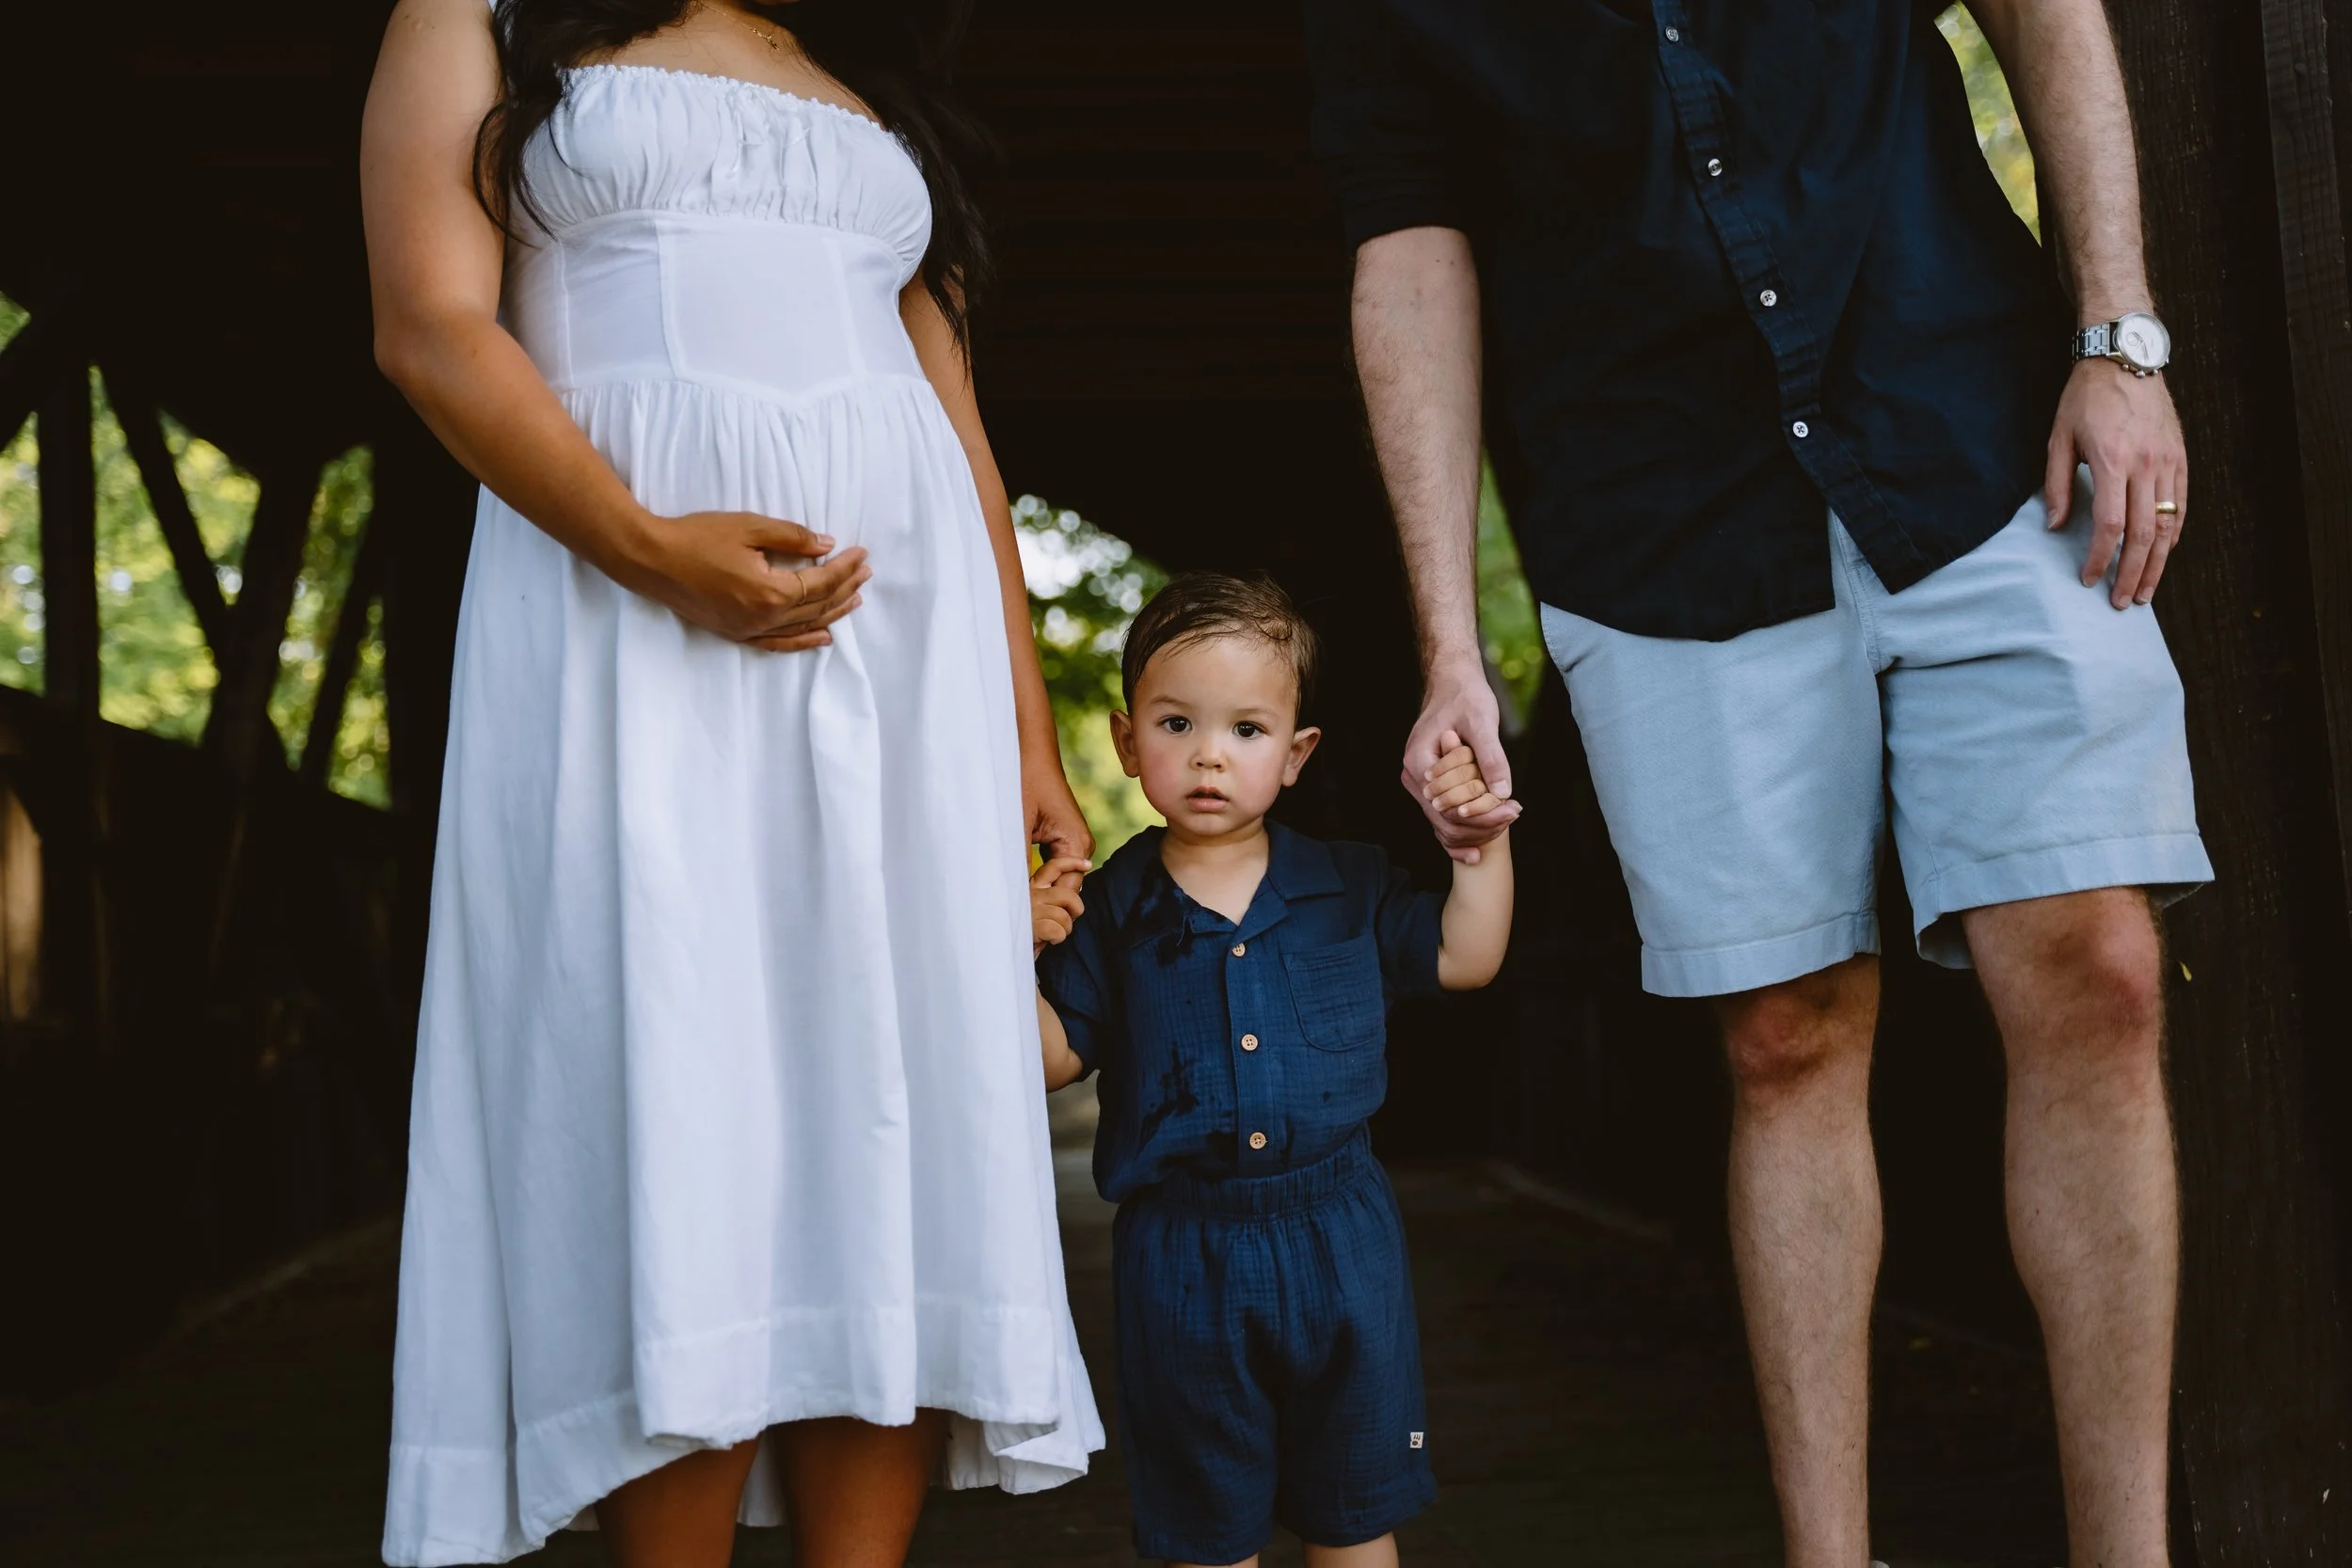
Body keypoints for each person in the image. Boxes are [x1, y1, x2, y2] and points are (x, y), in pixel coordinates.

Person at [1304, 3, 2205, 1566]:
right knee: (1787, 1035)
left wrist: (2116, 337)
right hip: (1656, 507)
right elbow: (1409, 257)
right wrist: (1450, 640)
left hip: (1977, 433)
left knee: (2102, 970)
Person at [361, 0, 1101, 1561]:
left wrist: (1025, 739)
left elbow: (958, 437)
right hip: (622, 628)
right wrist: (652, 550)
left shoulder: (875, 65)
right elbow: (432, 323)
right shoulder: (479, 14)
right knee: (675, 1093)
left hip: (905, 667)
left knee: (881, 1113)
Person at [1027, 573, 1515, 1568]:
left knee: (1354, 1509)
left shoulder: (1350, 882)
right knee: (1208, 1526)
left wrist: (1477, 852)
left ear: (1295, 755)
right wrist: (1001, 949)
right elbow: (1050, 1055)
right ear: (1127, 742)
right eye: (1176, 722)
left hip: (1343, 1237)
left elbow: (1466, 959)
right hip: (1182, 1254)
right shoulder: (1116, 906)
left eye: (1246, 730)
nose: (1209, 751)